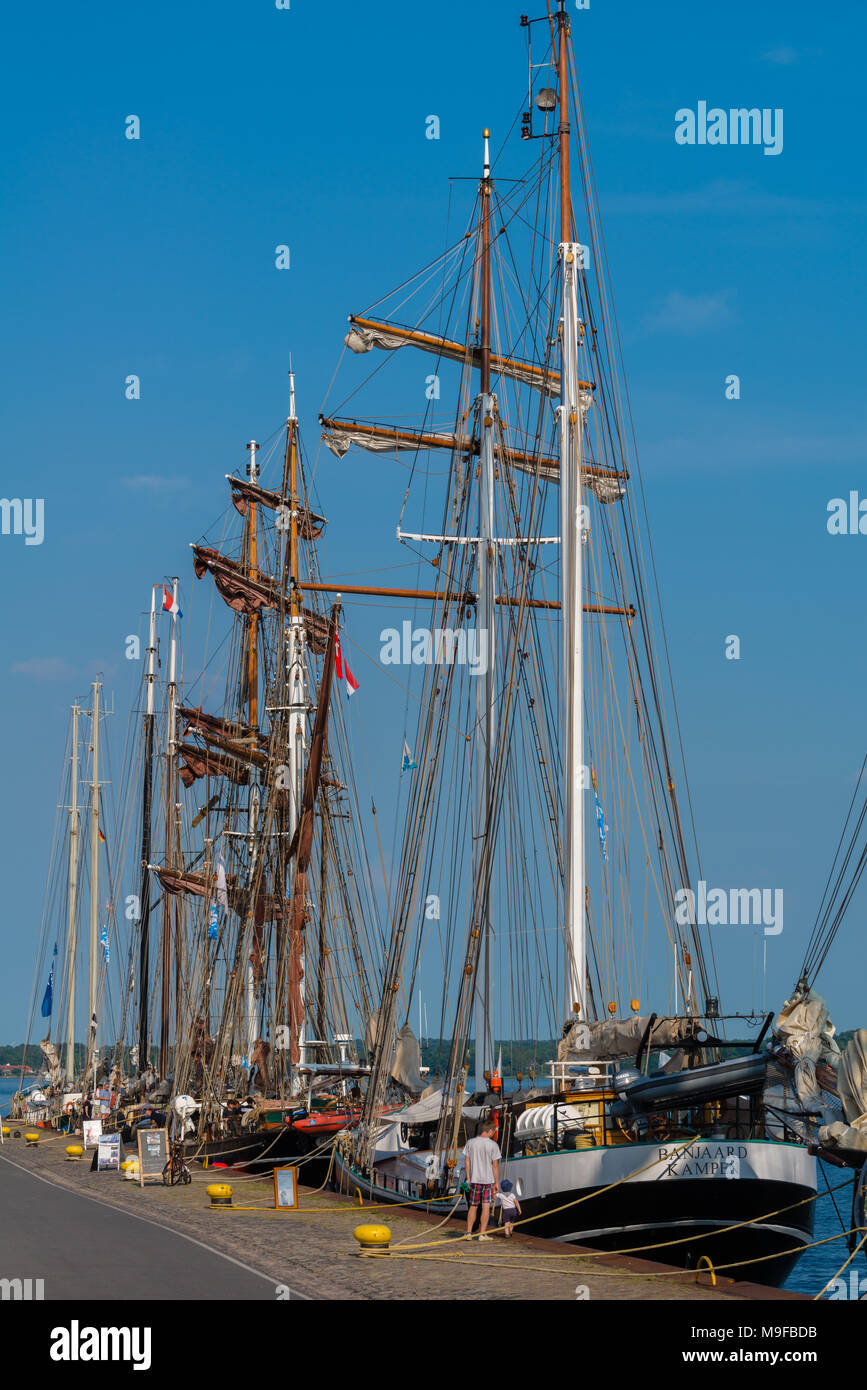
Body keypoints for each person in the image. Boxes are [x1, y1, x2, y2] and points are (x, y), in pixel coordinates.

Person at [463, 1118, 501, 1241]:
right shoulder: (493, 1145)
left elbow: (467, 1161)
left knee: (473, 1206)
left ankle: (468, 1233)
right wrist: (496, 1182)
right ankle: (482, 1234)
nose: (494, 1134)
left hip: (474, 1179)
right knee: (485, 1206)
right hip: (488, 1180)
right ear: (490, 1130)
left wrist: (468, 1178)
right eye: (493, 1131)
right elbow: (495, 1165)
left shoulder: (471, 1143)